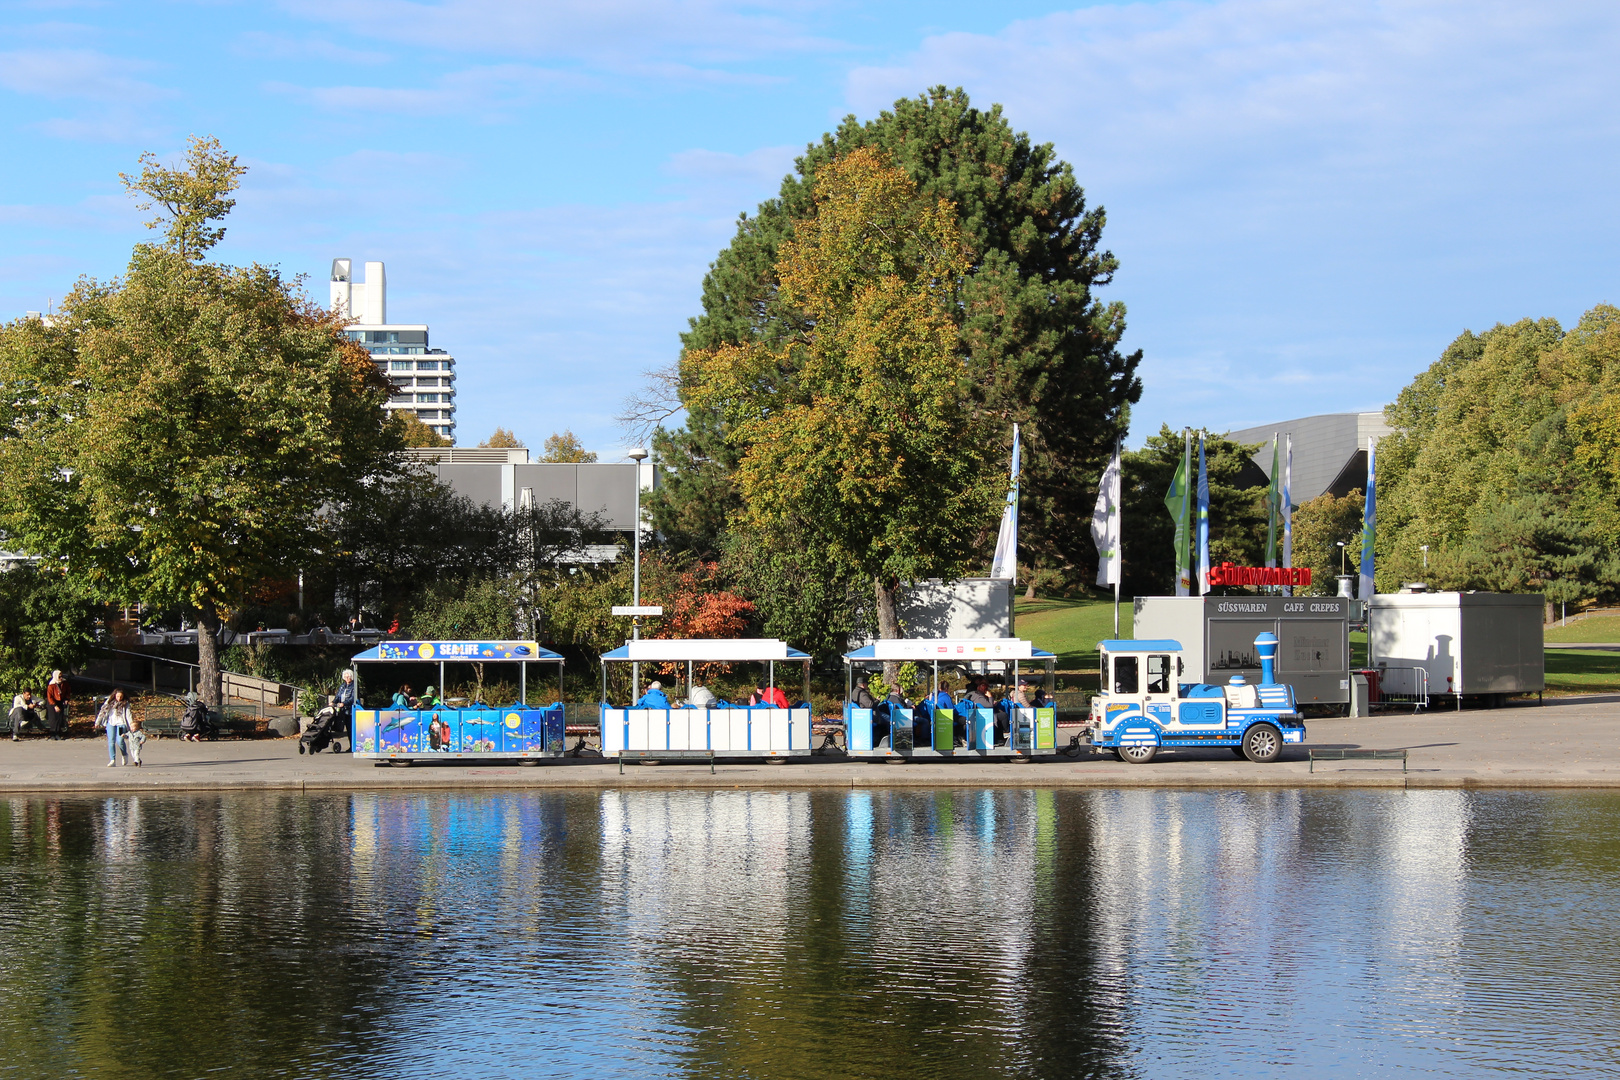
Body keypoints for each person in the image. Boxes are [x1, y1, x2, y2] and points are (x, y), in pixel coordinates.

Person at [95, 688, 134, 766]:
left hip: (121, 724)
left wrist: (131, 725)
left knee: (120, 741)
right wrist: (98, 722)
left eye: (121, 697)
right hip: (111, 723)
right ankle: (112, 760)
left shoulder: (125, 704)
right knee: (111, 742)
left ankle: (124, 755)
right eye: (118, 696)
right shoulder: (109, 702)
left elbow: (128, 715)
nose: (119, 698)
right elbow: (102, 712)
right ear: (114, 695)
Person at [334, 668, 356, 751]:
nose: (347, 678)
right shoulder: (342, 686)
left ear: (351, 677)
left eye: (348, 677)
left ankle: (353, 747)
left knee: (351, 729)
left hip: (350, 711)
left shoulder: (354, 686)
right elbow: (338, 696)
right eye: (345, 677)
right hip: (343, 711)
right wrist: (333, 702)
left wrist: (344, 703)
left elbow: (353, 698)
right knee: (346, 729)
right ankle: (351, 746)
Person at [45, 670, 69, 740]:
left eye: (61, 676)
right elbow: (49, 696)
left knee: (59, 718)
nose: (61, 678)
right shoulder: (51, 685)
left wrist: (66, 699)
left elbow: (67, 691)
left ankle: (58, 733)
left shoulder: (64, 683)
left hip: (60, 701)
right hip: (52, 703)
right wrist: (54, 705)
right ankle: (53, 734)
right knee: (53, 719)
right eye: (59, 676)